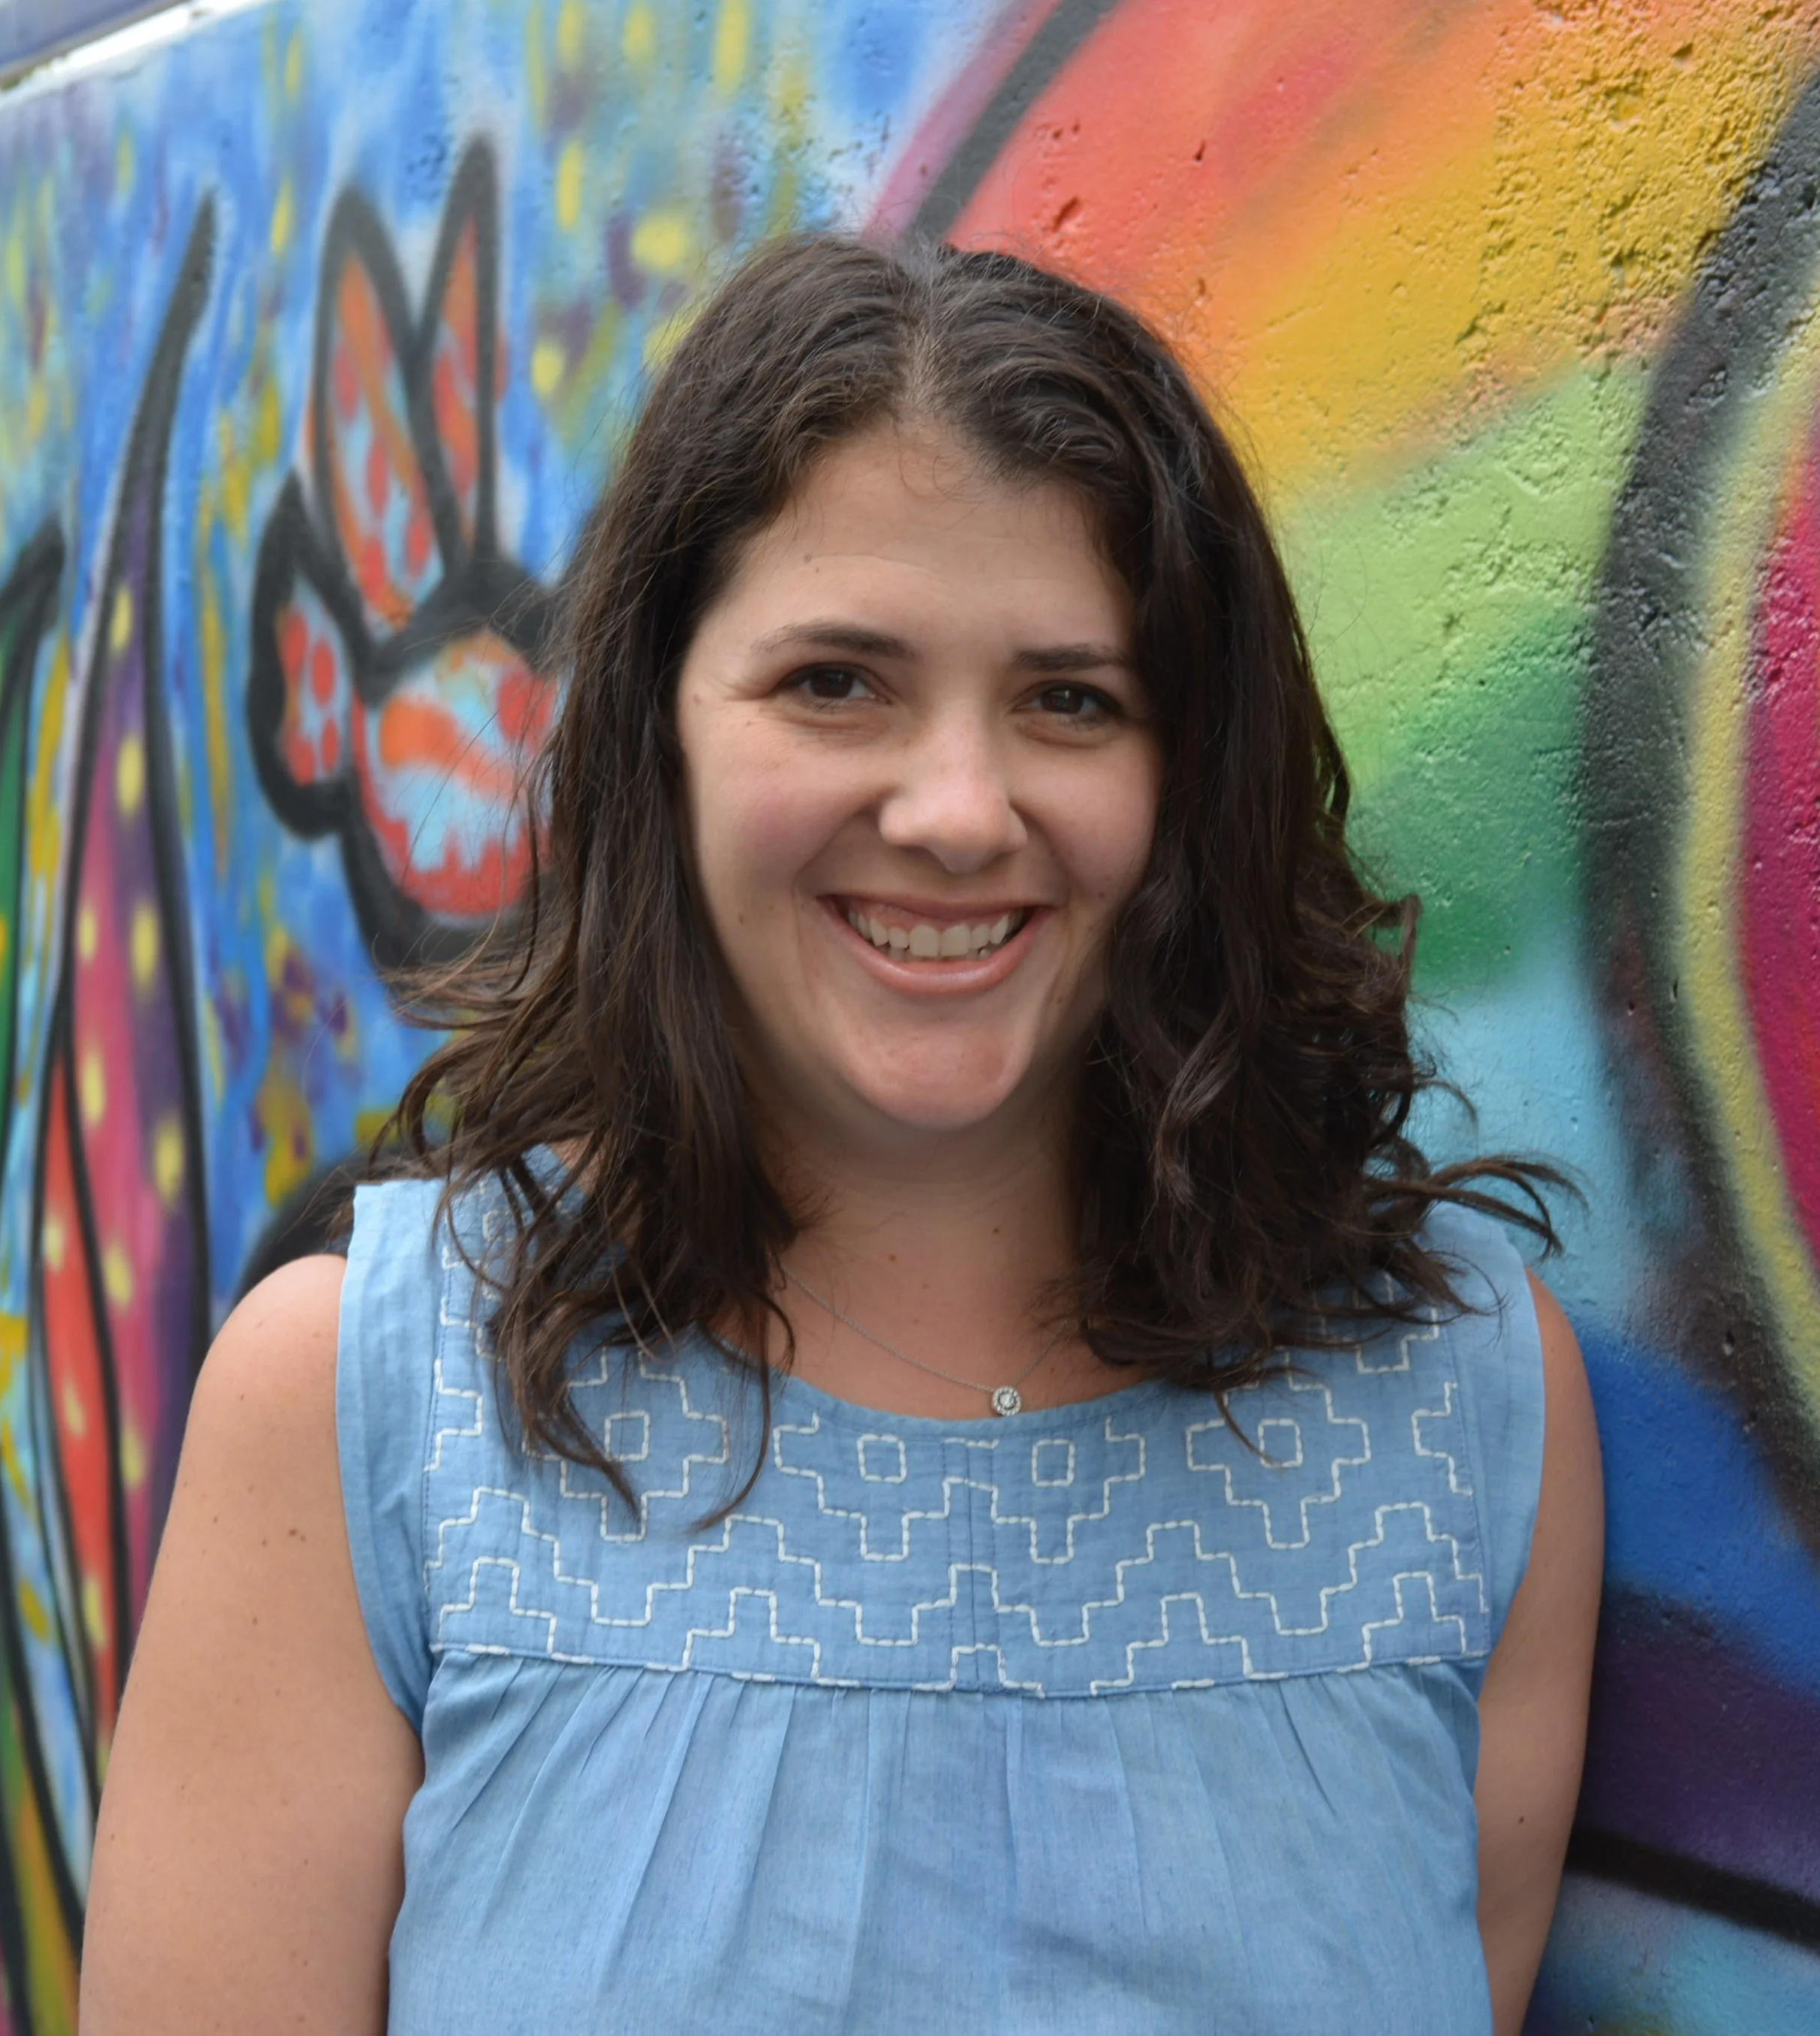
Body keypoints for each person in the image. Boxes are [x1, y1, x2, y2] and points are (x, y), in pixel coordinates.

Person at [80, 236, 1602, 2034]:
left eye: (1070, 699)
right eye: (834, 683)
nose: (956, 812)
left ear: (1187, 776)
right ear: (658, 733)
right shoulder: (370, 1399)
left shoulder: (1457, 1413)